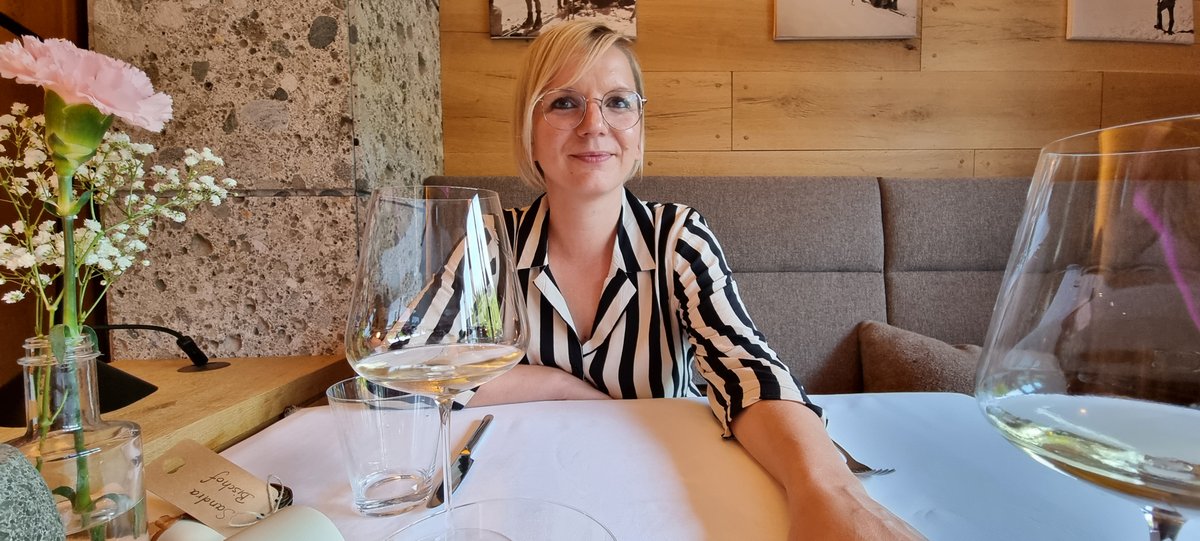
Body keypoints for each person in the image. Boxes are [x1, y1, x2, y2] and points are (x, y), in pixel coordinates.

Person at [466, 21, 925, 540]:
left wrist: (829, 491)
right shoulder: (489, 241)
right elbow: (406, 369)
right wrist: (560, 386)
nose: (594, 124)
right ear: (529, 131)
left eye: (617, 102)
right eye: (565, 103)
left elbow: (745, 366)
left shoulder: (677, 236)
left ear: (639, 131)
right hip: (519, 492)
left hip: (664, 490)